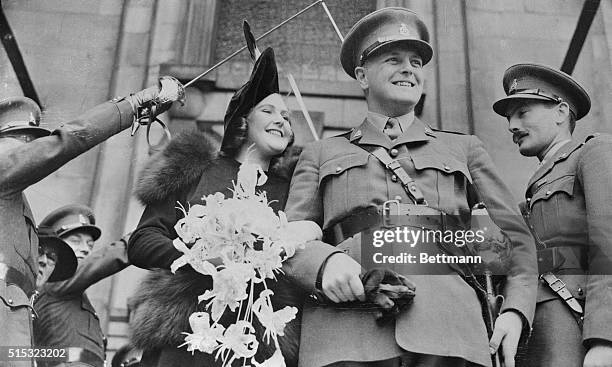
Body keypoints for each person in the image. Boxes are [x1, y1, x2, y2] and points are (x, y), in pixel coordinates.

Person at [283, 7, 538, 367]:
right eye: (393, 59)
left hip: (450, 334)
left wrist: (515, 311)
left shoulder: (463, 148)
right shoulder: (321, 152)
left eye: (416, 62)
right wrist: (323, 265)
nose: (409, 69)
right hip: (346, 331)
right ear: (361, 75)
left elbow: (518, 238)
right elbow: (289, 242)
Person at [127, 47, 324, 367]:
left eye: (287, 118)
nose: (282, 121)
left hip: (263, 345)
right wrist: (198, 258)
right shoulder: (196, 167)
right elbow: (143, 240)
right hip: (186, 335)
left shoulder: (296, 190)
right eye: (270, 112)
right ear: (242, 120)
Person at [0, 77, 182, 367]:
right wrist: (134, 105)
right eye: (22, 140)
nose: (30, 148)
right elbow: (68, 140)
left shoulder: (17, 212)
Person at [492, 63, 612, 367]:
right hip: (535, 326)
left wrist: (603, 339)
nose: (511, 126)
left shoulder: (593, 152)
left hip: (574, 323)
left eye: (522, 113)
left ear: (560, 112)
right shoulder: (533, 190)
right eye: (509, 118)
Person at [33, 204, 131, 367]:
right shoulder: (53, 278)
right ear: (54, 248)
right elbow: (107, 258)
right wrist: (143, 237)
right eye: (76, 241)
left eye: (90, 245)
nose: (85, 249)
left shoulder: (71, 294)